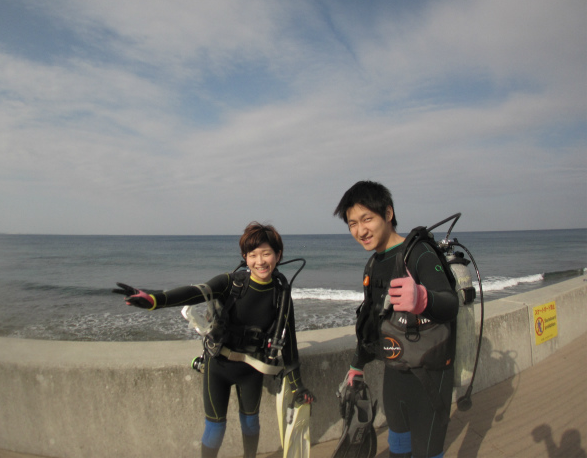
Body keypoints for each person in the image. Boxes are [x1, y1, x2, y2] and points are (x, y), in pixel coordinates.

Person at [113, 222, 314, 458]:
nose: (260, 261)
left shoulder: (281, 297)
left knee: (251, 423)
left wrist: (297, 385)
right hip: (218, 366)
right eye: (252, 255)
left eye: (266, 253)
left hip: (251, 370)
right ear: (245, 257)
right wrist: (154, 300)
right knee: (215, 427)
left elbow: (289, 344)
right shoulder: (231, 283)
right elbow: (194, 292)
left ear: (278, 255)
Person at [334, 181, 458, 458]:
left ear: (388, 213)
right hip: (394, 371)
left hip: (429, 374)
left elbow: (450, 305)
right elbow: (371, 320)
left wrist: (423, 299)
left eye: (367, 219)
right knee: (398, 448)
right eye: (353, 223)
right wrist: (356, 365)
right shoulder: (373, 263)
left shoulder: (420, 253)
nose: (360, 231)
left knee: (427, 452)